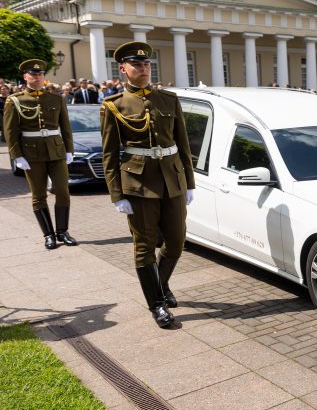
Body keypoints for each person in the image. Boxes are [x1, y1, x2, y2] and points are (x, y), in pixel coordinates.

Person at [100, 42, 195, 329]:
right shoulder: (114, 106)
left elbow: (183, 143)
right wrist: (117, 194)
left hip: (172, 180)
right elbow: (109, 153)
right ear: (124, 69)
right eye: (137, 65)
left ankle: (160, 285)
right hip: (138, 184)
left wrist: (189, 182)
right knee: (143, 247)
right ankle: (157, 305)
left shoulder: (169, 99)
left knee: (176, 244)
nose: (143, 68)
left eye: (146, 64)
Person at [3, 59, 78, 250]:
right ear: (25, 76)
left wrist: (69, 150)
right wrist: (16, 155)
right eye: (33, 74)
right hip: (31, 154)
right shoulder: (15, 100)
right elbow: (10, 131)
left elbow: (66, 128)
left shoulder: (56, 98)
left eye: (40, 74)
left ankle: (63, 231)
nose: (37, 77)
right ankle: (48, 234)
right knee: (38, 195)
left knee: (62, 191)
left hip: (56, 151)